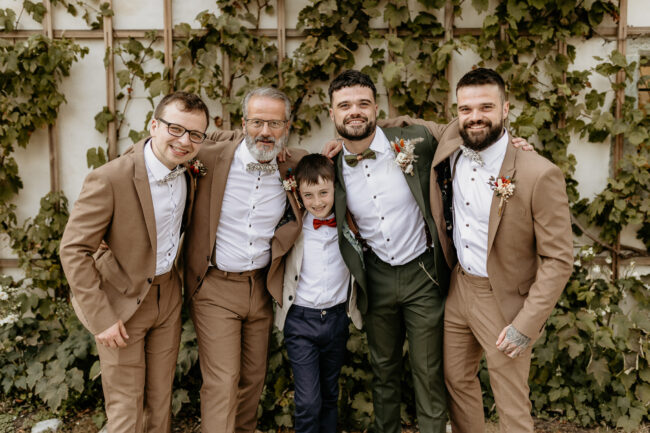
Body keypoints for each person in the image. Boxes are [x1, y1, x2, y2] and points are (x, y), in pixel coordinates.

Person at [431, 68, 573, 432]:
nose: (475, 116)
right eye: (465, 109)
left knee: (510, 401)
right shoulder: (451, 143)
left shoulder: (539, 173)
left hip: (503, 298)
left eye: (486, 107)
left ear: (506, 109)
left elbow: (559, 260)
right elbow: (405, 126)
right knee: (456, 382)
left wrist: (525, 325)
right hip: (459, 287)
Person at [60, 91, 210, 432]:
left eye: (194, 134)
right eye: (175, 129)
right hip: (120, 304)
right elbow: (73, 249)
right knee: (126, 409)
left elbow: (240, 136)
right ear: (154, 125)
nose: (184, 141)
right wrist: (102, 318)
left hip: (167, 297)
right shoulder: (110, 178)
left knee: (159, 402)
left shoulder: (189, 171)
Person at [327, 69, 450, 433]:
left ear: (376, 109)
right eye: (344, 105)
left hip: (423, 273)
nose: (354, 111)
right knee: (383, 370)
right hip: (375, 275)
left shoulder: (414, 142)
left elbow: (462, 132)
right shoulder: (329, 165)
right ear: (331, 113)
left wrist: (514, 143)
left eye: (363, 103)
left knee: (428, 371)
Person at [182, 87, 307, 433]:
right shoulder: (208, 157)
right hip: (215, 287)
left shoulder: (294, 165)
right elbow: (159, 149)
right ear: (243, 123)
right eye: (257, 122)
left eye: (274, 123)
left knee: (253, 379)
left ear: (287, 127)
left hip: (262, 287)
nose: (265, 132)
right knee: (223, 381)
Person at [274, 154, 363, 433]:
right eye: (308, 195)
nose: (317, 202)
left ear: (335, 188)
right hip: (301, 321)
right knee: (308, 401)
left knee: (329, 394)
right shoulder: (294, 228)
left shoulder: (349, 224)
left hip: (336, 318)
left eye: (324, 193)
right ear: (298, 195)